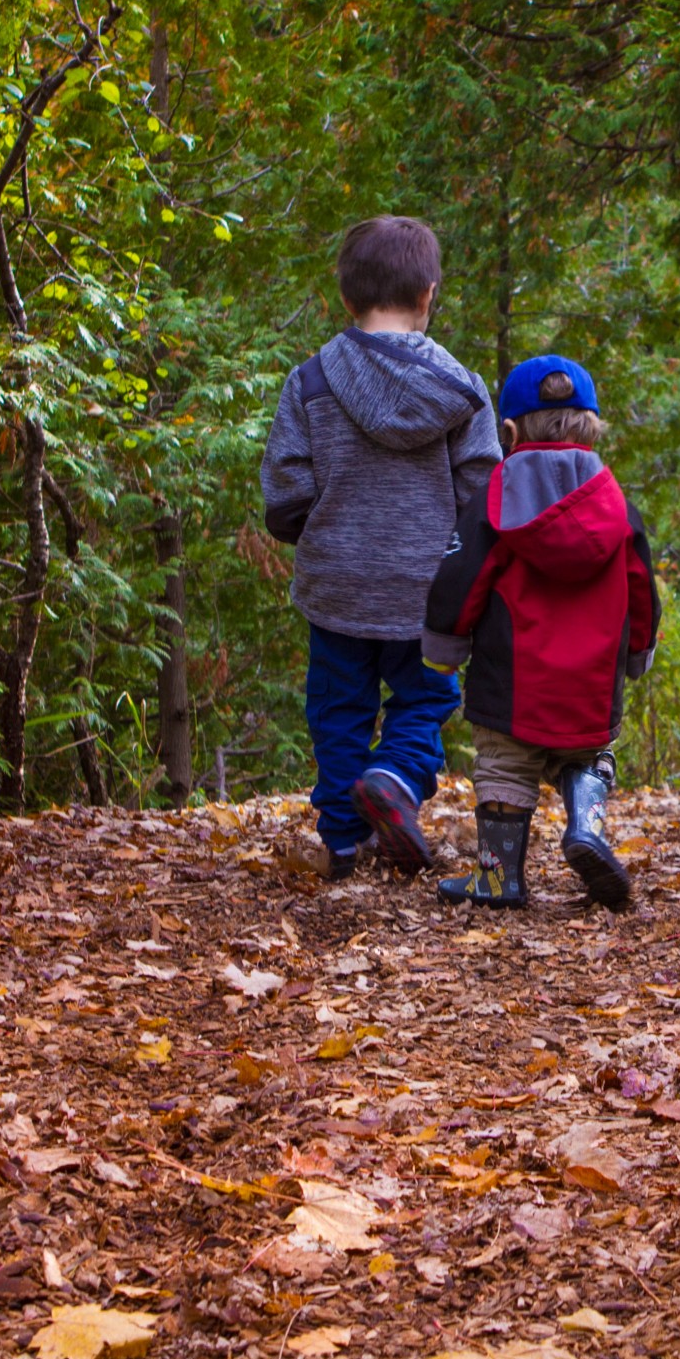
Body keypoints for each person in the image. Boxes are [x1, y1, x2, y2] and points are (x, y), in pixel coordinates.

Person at [260, 216, 501, 879]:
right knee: (424, 700)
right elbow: (481, 493)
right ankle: (394, 776)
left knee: (339, 709)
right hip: (427, 590)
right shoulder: (463, 390)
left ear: (345, 296)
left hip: (338, 584)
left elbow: (285, 492)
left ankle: (342, 839)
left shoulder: (310, 382)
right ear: (428, 294)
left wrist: (317, 530)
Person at [422, 355, 661, 911]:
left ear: (509, 431)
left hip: (512, 684)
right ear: (593, 425)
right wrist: (637, 652)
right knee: (589, 755)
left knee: (504, 768)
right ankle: (585, 820)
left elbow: (461, 576)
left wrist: (445, 645)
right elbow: (642, 586)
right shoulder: (618, 506)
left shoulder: (494, 499)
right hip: (592, 685)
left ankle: (499, 878)